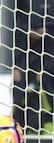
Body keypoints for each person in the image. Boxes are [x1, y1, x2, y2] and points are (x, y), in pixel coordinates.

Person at [12, 0, 54, 134]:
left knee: (46, 81)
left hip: (49, 50)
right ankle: (19, 125)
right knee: (21, 86)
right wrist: (17, 66)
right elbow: (19, 23)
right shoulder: (26, 6)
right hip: (27, 54)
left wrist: (46, 31)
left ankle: (46, 123)